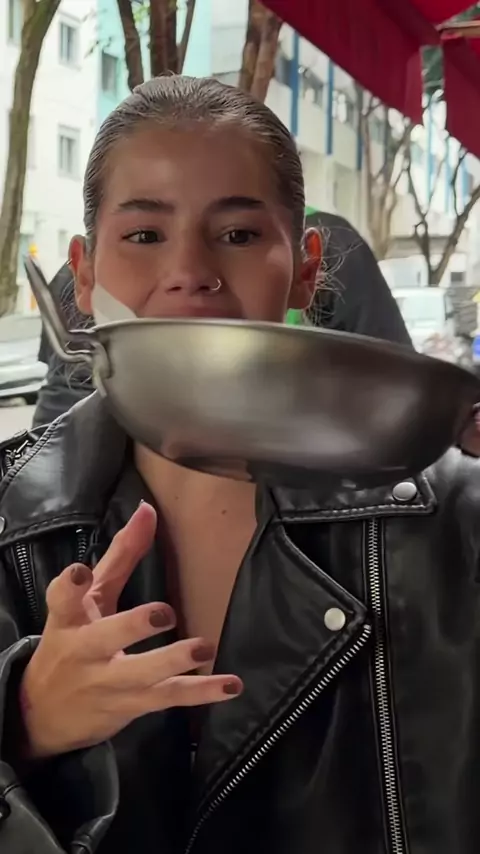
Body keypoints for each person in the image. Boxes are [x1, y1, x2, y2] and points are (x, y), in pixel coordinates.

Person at [0, 75, 479, 854]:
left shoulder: (454, 519)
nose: (191, 269)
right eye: (145, 235)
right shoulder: (10, 525)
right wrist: (25, 720)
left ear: (305, 265)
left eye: (240, 233)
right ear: (83, 275)